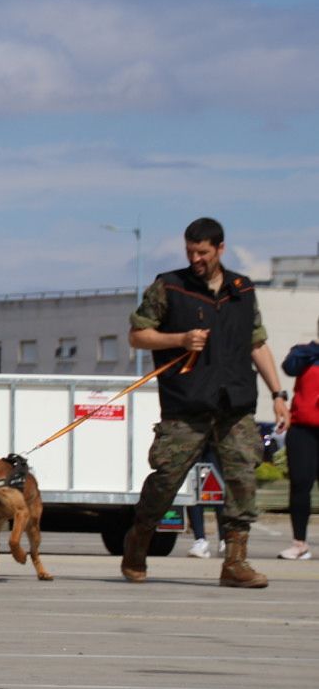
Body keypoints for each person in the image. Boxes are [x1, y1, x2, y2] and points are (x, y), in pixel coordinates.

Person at [121, 217, 291, 588]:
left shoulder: (242, 290)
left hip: (235, 404)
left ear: (220, 249)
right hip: (187, 402)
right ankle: (138, 539)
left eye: (203, 252)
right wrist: (179, 339)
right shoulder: (170, 286)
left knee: (242, 478)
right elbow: (137, 335)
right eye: (190, 252)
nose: (196, 258)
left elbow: (257, 343)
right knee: (167, 479)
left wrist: (278, 394)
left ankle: (235, 562)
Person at [278, 321, 319, 561]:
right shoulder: (305, 354)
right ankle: (299, 543)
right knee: (301, 484)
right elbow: (288, 367)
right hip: (303, 429)